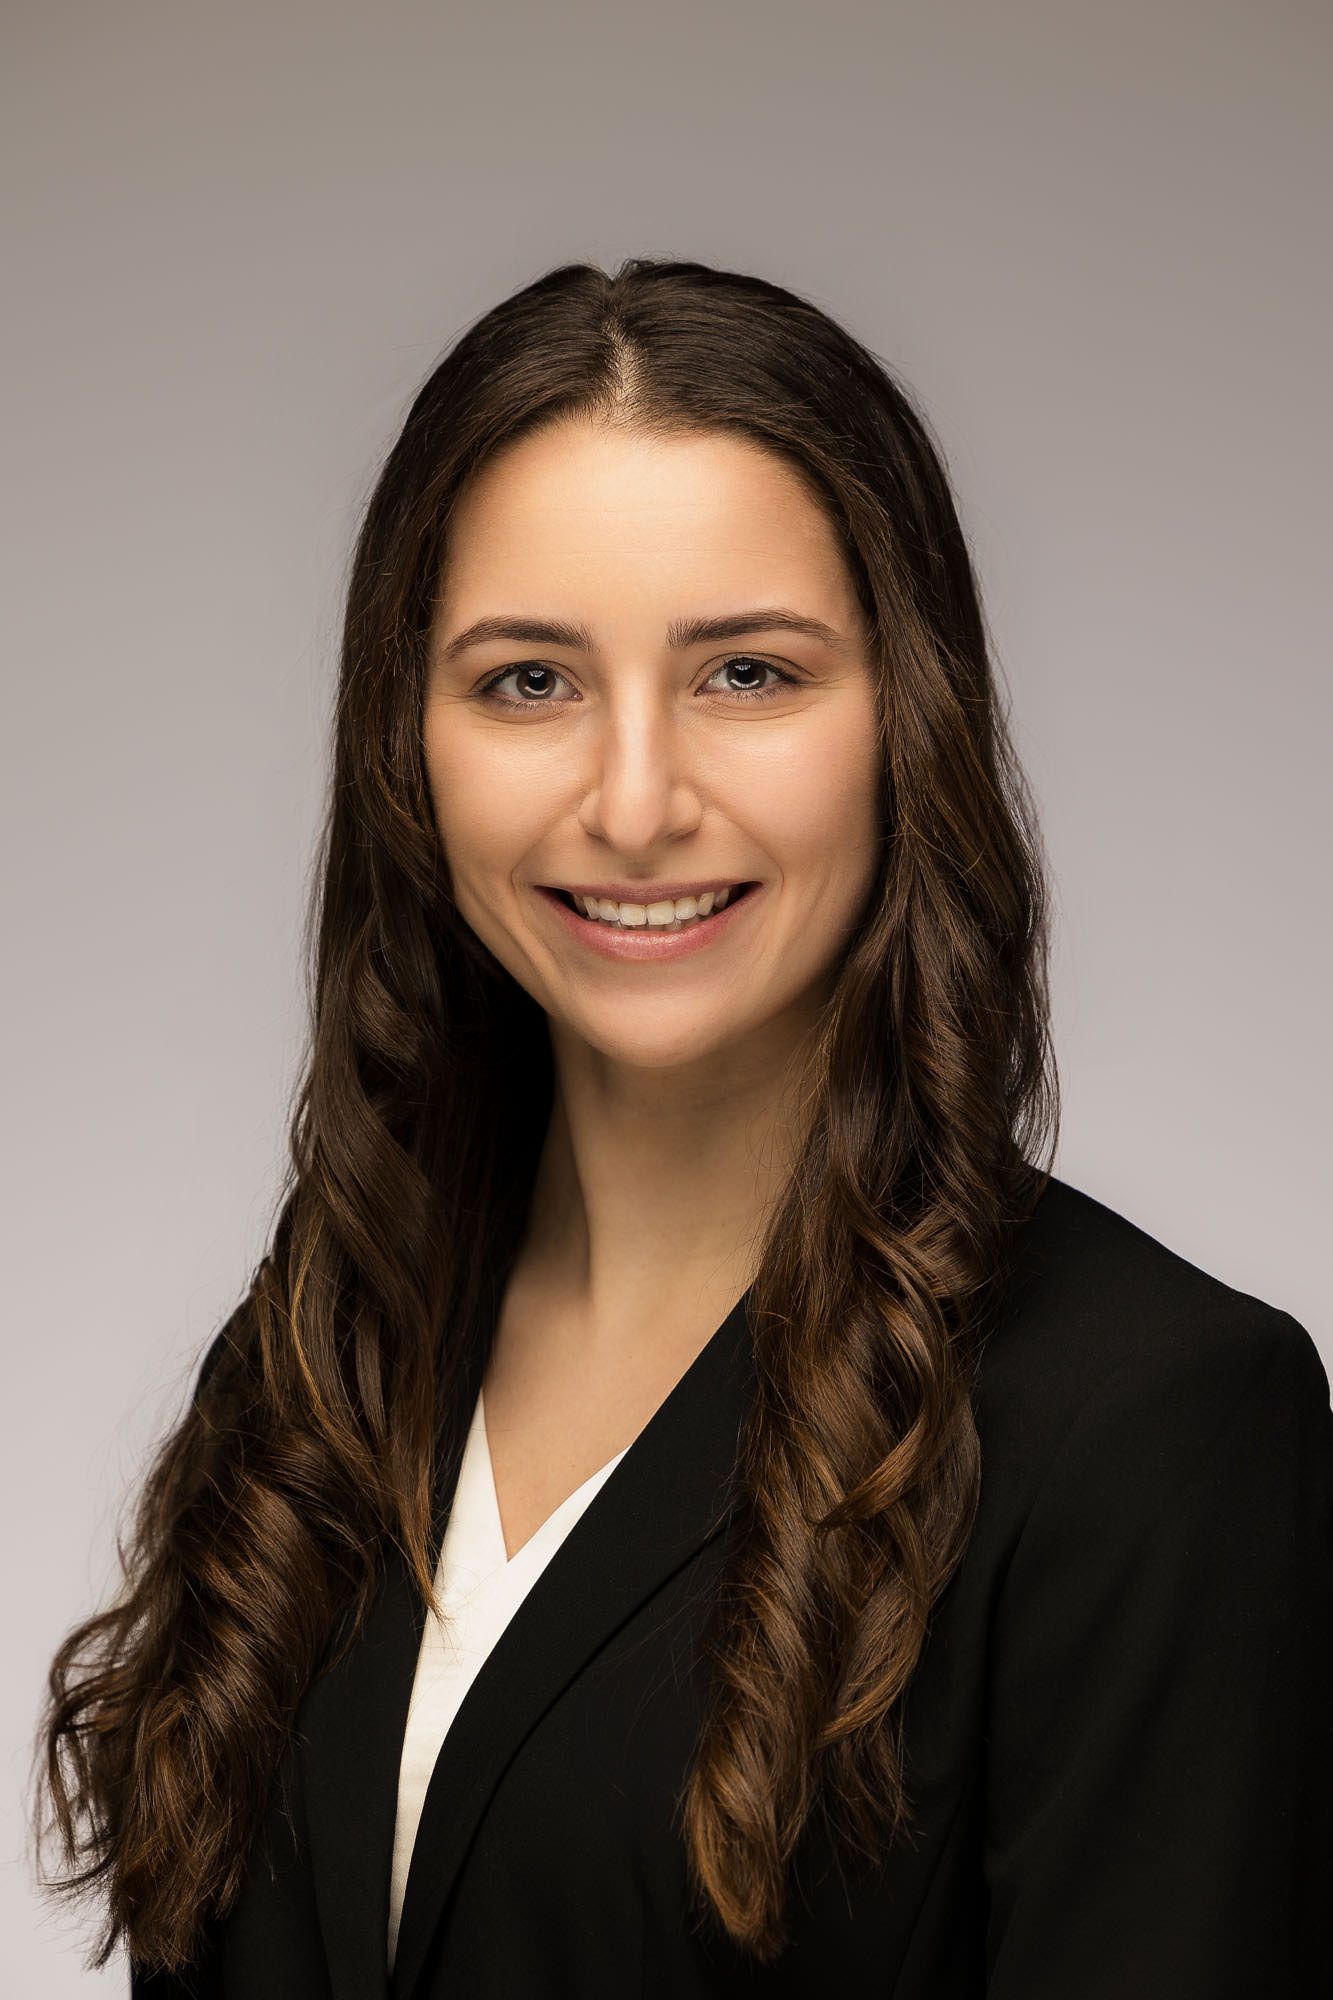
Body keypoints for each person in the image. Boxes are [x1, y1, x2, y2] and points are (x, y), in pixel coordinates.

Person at [36, 258, 1333, 1999]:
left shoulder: (1151, 1426)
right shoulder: (315, 1367)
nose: (634, 803)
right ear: (405, 746)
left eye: (744, 672)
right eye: (524, 683)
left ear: (905, 720)